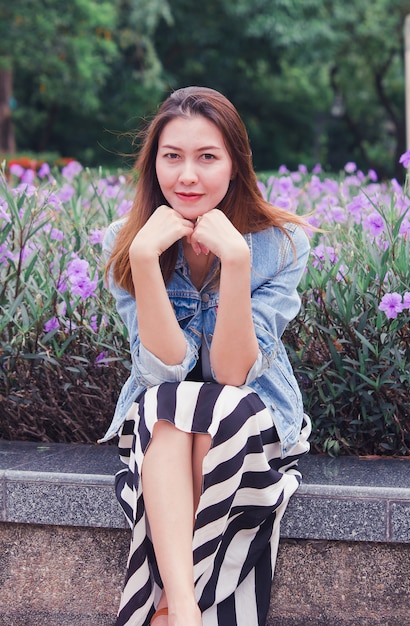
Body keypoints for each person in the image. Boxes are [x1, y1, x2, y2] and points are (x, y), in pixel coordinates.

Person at [101, 86, 311, 626]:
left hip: (249, 424)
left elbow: (232, 374)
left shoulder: (280, 243)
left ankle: (172, 610)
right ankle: (191, 614)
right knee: (168, 402)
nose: (187, 176)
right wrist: (146, 260)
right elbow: (160, 370)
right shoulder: (125, 243)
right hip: (162, 434)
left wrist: (236, 262)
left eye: (207, 157)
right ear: (154, 167)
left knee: (210, 407)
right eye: (172, 157)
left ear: (235, 166)